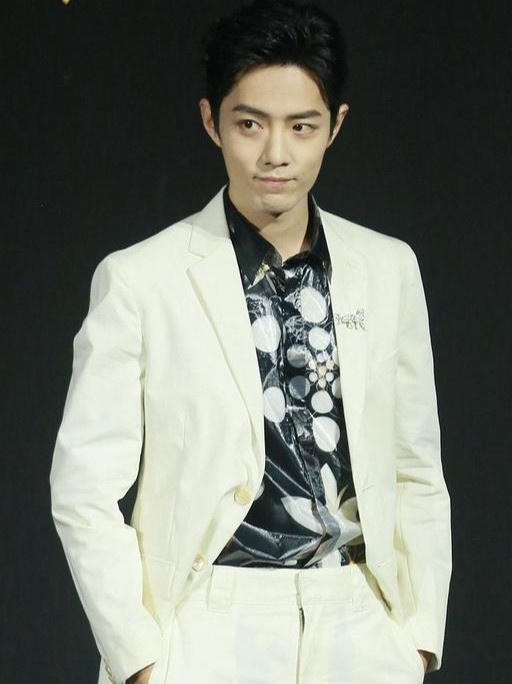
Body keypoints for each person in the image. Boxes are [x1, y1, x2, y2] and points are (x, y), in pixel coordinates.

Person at [49, 1, 452, 683]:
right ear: (212, 122)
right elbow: (82, 487)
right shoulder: (141, 279)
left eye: (302, 126)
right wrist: (141, 660)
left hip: (359, 617)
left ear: (336, 126)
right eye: (250, 124)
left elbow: (417, 468)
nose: (276, 154)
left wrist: (415, 638)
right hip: (208, 622)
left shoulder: (388, 268)